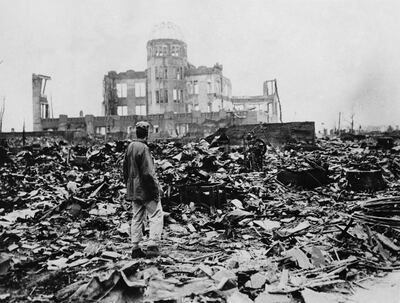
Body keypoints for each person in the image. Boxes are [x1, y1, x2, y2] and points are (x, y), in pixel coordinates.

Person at [123, 121, 163, 258]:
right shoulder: (144, 148)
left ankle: (135, 248)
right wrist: (156, 188)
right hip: (146, 190)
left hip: (134, 190)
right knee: (156, 214)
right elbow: (148, 173)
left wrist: (129, 185)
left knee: (137, 217)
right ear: (147, 134)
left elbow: (125, 170)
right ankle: (153, 245)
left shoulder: (130, 147)